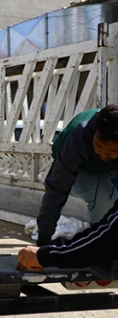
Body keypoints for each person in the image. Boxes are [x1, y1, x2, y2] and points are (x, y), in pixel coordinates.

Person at [35, 105, 118, 246]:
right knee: (105, 197)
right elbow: (56, 191)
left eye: (112, 151)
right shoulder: (76, 142)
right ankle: (98, 247)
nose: (103, 154)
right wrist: (43, 241)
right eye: (99, 145)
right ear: (95, 132)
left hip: (111, 169)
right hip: (79, 169)